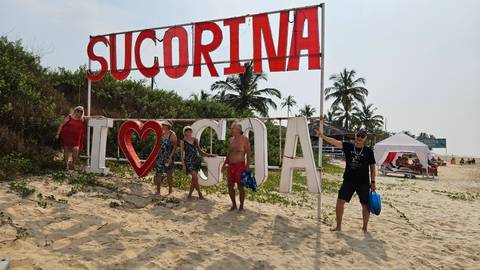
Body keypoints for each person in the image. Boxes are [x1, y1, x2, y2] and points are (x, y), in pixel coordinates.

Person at [315, 127, 376, 233]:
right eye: (358, 135)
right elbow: (335, 142)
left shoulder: (368, 151)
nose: (360, 138)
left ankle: (365, 228)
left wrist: (373, 182)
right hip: (348, 181)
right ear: (355, 136)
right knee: (340, 202)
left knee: (365, 205)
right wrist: (322, 136)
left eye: (362, 136)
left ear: (365, 138)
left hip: (363, 182)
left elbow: (372, 167)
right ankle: (338, 226)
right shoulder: (348, 146)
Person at [222, 122, 251, 211]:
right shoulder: (231, 139)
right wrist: (224, 164)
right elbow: (229, 153)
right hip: (231, 166)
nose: (231, 130)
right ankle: (234, 204)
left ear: (238, 130)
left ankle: (241, 205)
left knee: (240, 186)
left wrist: (247, 165)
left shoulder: (244, 139)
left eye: (233, 128)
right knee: (230, 185)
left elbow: (248, 153)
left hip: (240, 165)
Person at [180, 126, 215, 199]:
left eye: (190, 130)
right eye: (187, 130)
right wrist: (183, 164)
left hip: (196, 160)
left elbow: (200, 151)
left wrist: (209, 155)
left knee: (194, 179)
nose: (188, 132)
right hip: (188, 161)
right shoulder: (182, 141)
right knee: (195, 177)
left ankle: (189, 195)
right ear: (184, 132)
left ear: (191, 132)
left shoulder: (195, 140)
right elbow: (181, 154)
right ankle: (200, 194)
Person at [55, 106, 87, 170]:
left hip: (76, 138)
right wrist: (58, 134)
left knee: (76, 149)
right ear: (75, 111)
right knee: (66, 149)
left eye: (81, 111)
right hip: (66, 136)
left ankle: (73, 164)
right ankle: (66, 165)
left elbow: (93, 117)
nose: (79, 112)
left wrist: (102, 117)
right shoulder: (69, 117)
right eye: (78, 110)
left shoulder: (83, 118)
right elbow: (61, 124)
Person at [154, 120, 177, 195]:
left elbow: (174, 147)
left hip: (168, 157)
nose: (162, 125)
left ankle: (170, 190)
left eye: (164, 124)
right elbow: (157, 145)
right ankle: (158, 191)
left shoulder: (172, 134)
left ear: (168, 126)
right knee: (158, 173)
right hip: (160, 156)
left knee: (169, 174)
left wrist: (170, 157)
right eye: (163, 124)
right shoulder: (161, 133)